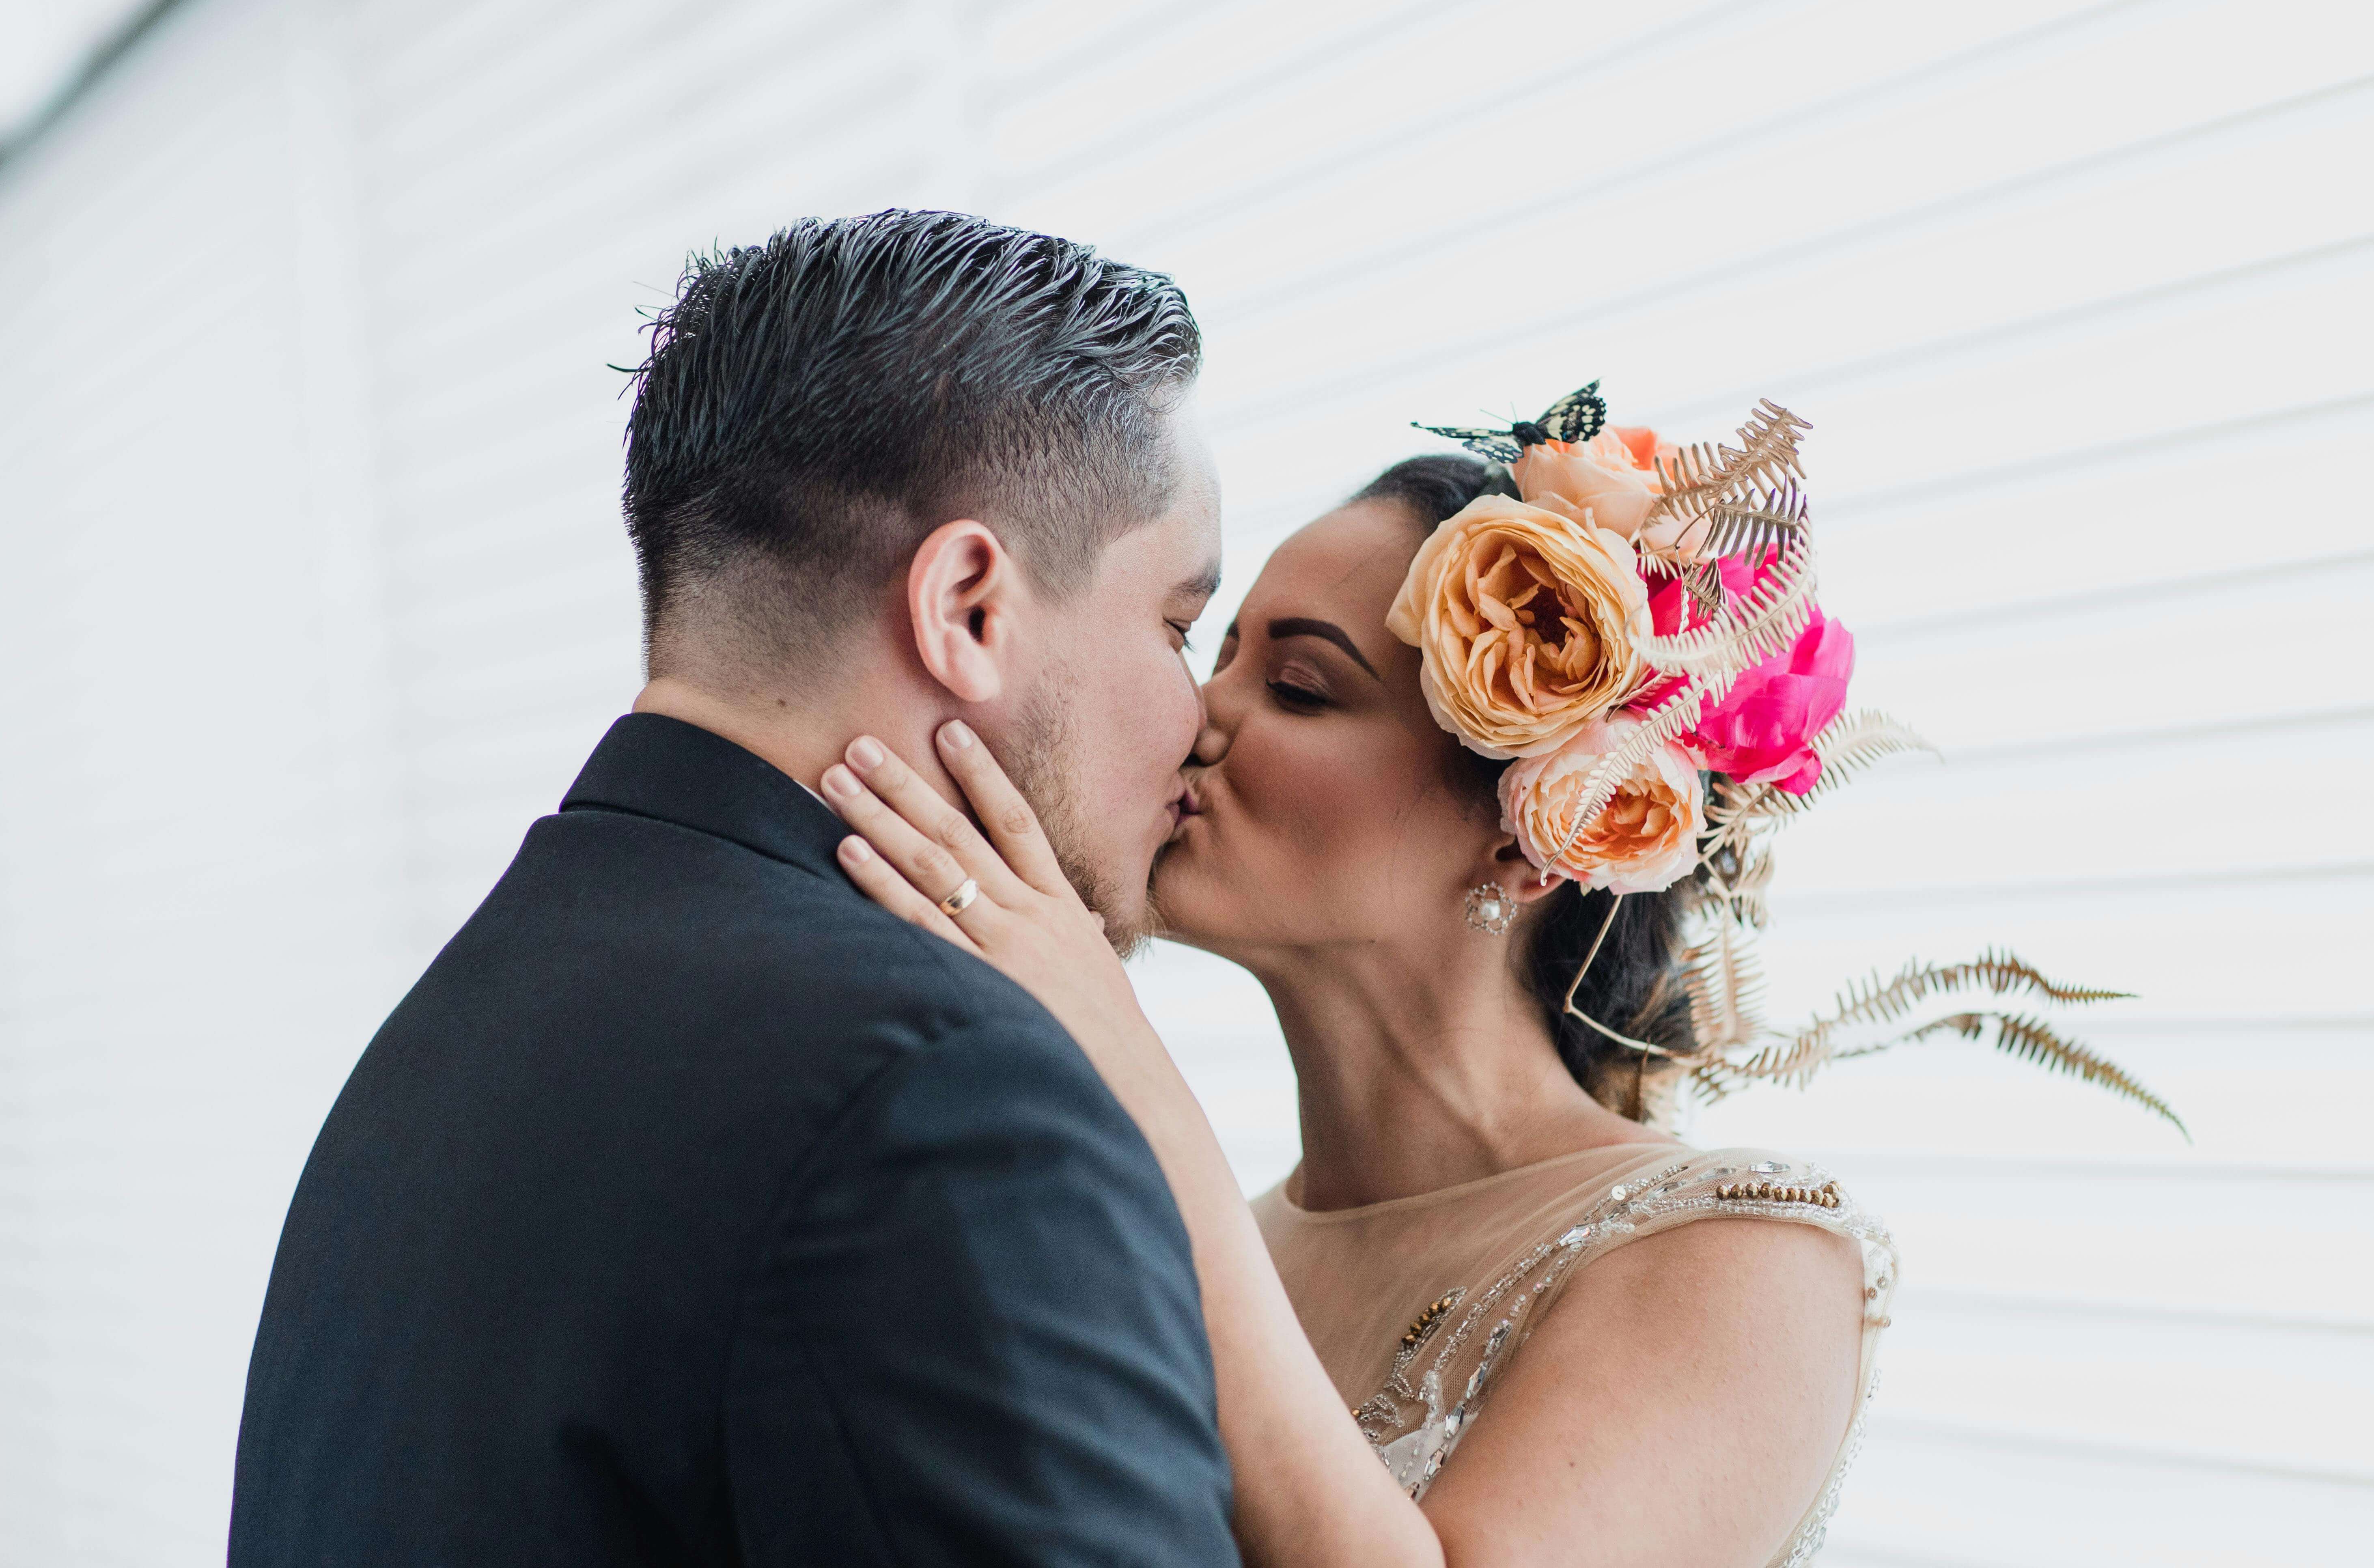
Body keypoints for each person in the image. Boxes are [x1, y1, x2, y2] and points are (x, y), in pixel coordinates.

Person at [228, 210, 1242, 1567]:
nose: (1201, 715)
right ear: (970, 609)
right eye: (1177, 625)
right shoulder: (944, 1093)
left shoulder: (450, 1033)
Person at [823, 437, 1903, 1566]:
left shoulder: (1739, 1256)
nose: (1192, 717)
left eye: (1298, 686)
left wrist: (1121, 1059)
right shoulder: (1225, 1237)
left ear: (1534, 830)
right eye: (1208, 651)